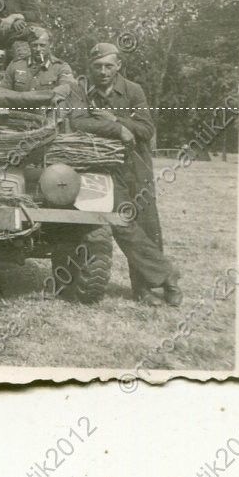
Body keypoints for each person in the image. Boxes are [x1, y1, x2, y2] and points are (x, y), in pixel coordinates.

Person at [66, 42, 181, 307]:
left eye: (108, 66)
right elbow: (78, 122)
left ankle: (145, 287)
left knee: (147, 225)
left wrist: (116, 119)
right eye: (97, 66)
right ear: (90, 67)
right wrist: (116, 129)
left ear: (118, 65)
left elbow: (146, 129)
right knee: (121, 223)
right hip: (101, 168)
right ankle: (166, 274)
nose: (103, 71)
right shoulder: (80, 90)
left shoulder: (133, 90)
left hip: (136, 165)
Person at [0, 26, 74, 101]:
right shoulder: (16, 65)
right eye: (34, 45)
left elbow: (66, 87)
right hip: (19, 111)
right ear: (29, 46)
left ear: (50, 45)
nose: (38, 49)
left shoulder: (60, 67)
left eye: (42, 45)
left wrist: (48, 97)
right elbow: (3, 92)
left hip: (46, 111)